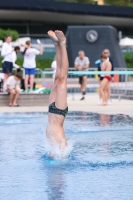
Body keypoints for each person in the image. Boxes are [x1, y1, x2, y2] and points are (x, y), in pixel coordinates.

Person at [46, 30, 68, 157]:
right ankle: (63, 43)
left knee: (57, 77)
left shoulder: (57, 151)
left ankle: (56, 44)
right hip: (59, 112)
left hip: (52, 112)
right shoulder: (62, 150)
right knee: (62, 79)